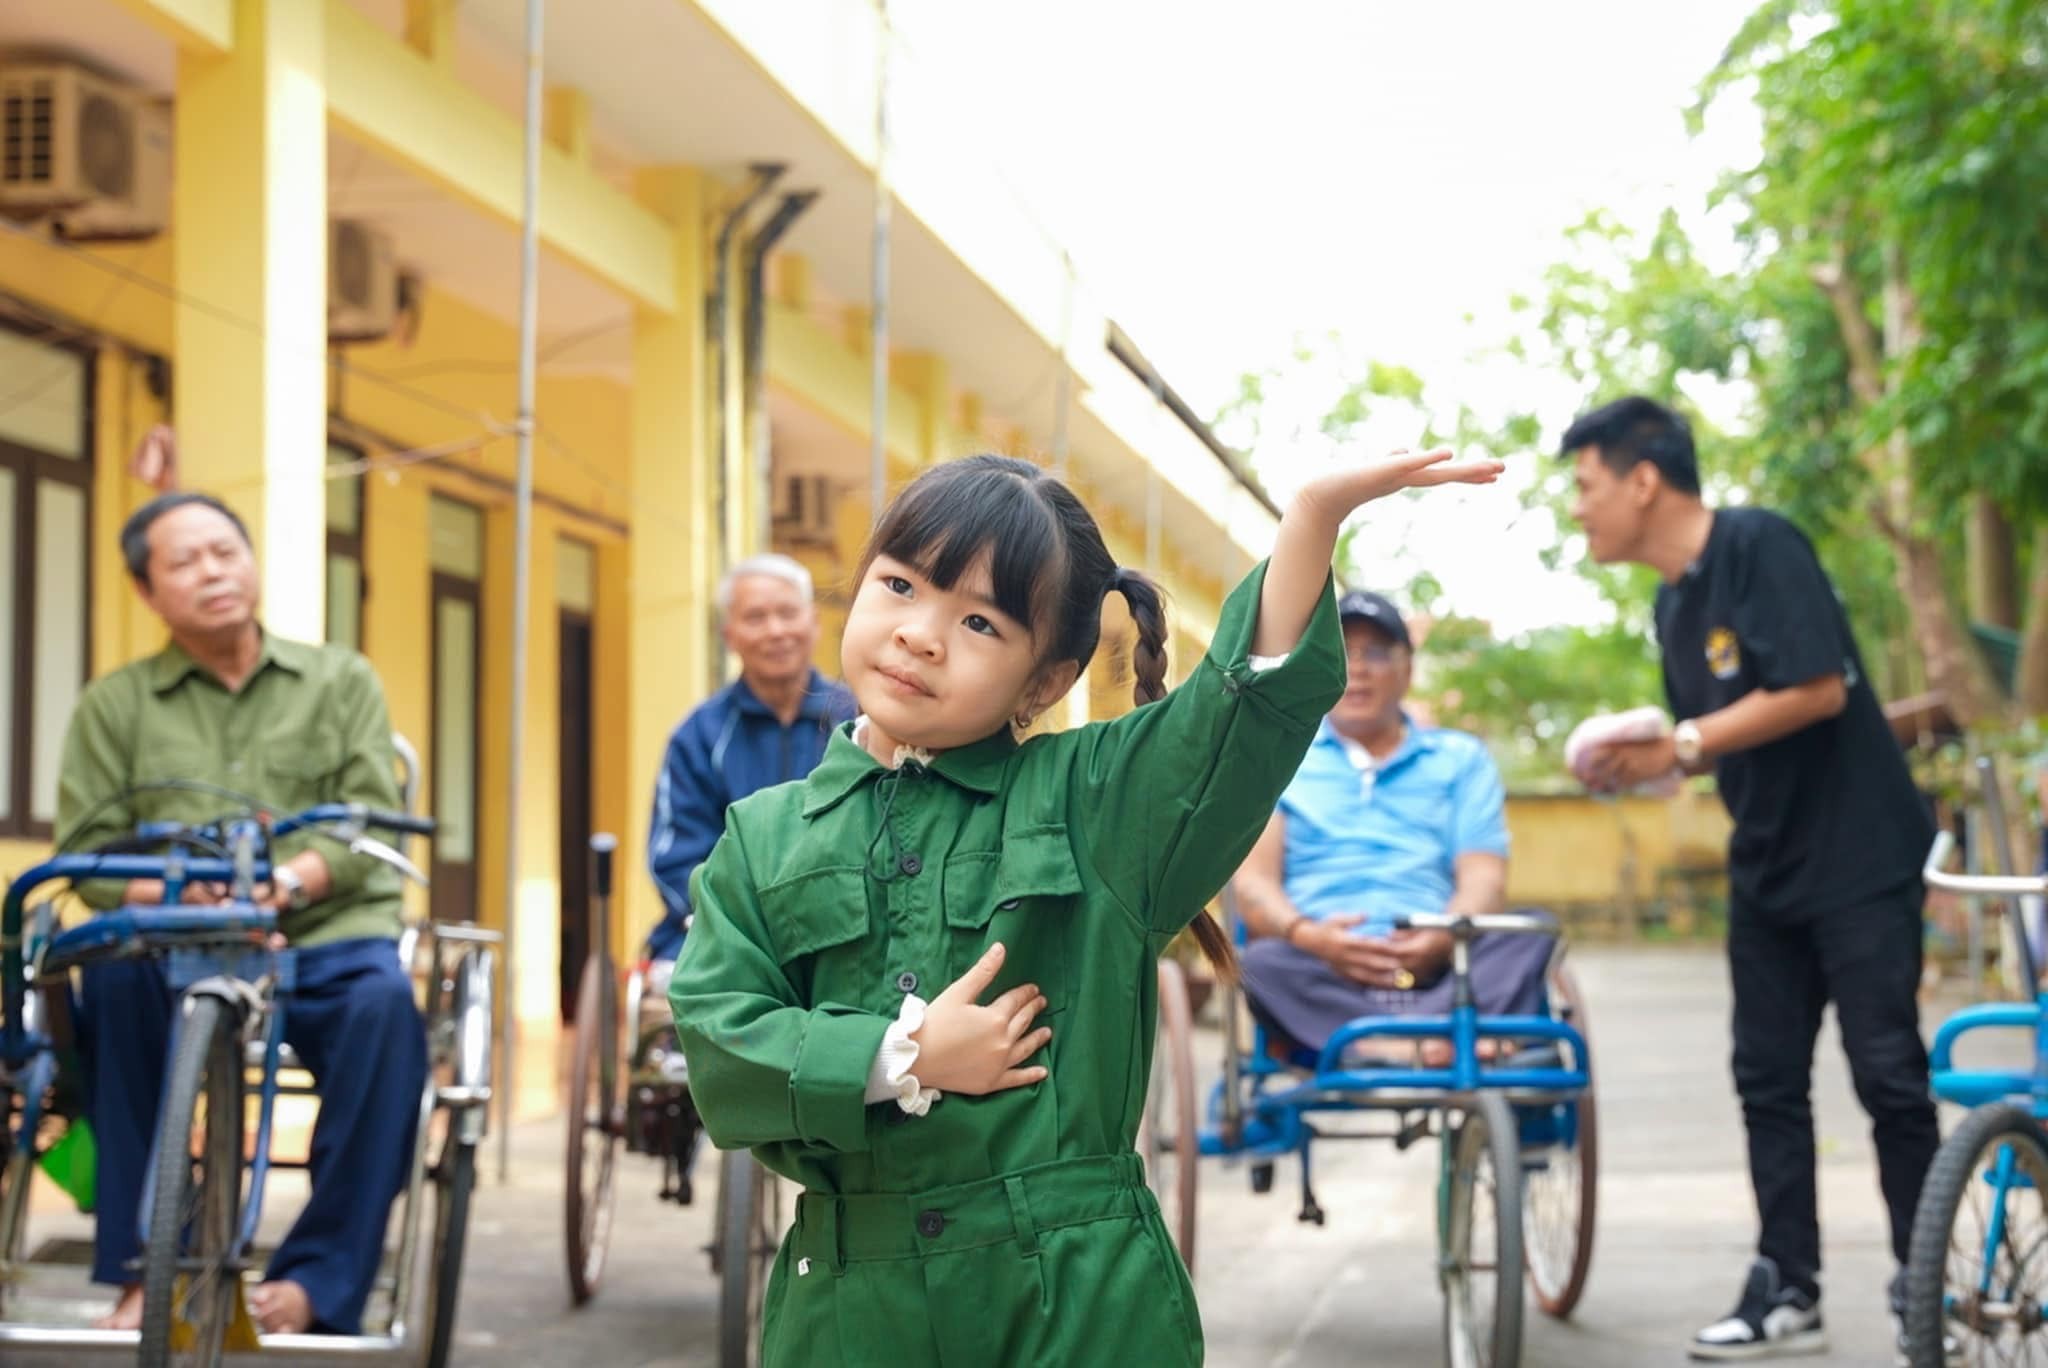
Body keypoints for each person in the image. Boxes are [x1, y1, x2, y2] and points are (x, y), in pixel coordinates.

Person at [669, 446, 1502, 1365]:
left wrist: (1309, 518)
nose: (921, 633)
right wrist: (897, 1054)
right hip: (849, 1315)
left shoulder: (1100, 801)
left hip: (1078, 1307)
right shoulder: (761, 837)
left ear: (1046, 680)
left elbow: (1237, 719)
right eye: (900, 586)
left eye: (980, 620)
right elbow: (718, 1041)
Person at [1559, 396, 1940, 1362]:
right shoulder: (1671, 602)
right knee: (1765, 1078)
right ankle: (1788, 1286)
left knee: (1887, 1072)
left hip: (1860, 855)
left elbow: (1817, 689)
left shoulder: (1760, 545)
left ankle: (1922, 1283)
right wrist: (1646, 756)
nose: (1578, 510)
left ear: (1644, 480)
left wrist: (1679, 743)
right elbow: (1719, 733)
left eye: (1586, 487)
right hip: (1767, 864)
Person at [56, 491, 425, 1337]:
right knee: (111, 994)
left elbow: (362, 818)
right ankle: (150, 1269)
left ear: (252, 561)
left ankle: (317, 1283)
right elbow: (94, 855)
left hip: (323, 930)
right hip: (171, 937)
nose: (212, 572)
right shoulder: (115, 706)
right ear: (148, 593)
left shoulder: (341, 680)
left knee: (384, 1014)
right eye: (183, 562)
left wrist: (284, 885)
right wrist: (189, 895)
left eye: (225, 551)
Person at [1230, 589, 1548, 1065]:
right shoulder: (1277, 757)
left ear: (1407, 670)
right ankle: (1407, 1046)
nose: (1357, 667)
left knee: (1531, 931)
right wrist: (1310, 936)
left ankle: (1411, 1042)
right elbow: (1253, 883)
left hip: (1443, 967)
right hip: (1319, 966)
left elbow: (1485, 877)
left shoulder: (1460, 759)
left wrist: (1443, 937)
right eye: (1340, 652)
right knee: (1260, 962)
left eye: (1375, 653)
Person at [645, 554, 856, 960]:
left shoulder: (860, 720)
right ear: (729, 635)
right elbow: (676, 859)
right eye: (756, 617)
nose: (776, 631)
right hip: (725, 934)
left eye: (787, 613)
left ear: (813, 622)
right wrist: (749, 924)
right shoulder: (699, 736)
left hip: (846, 928)